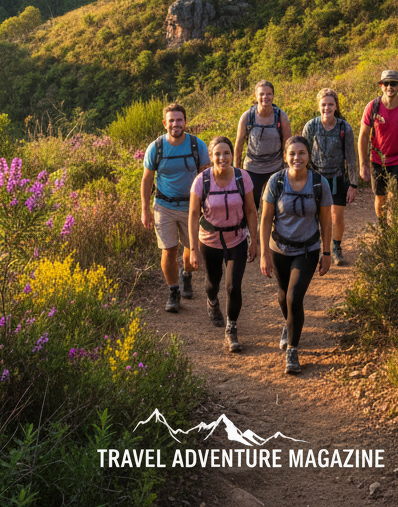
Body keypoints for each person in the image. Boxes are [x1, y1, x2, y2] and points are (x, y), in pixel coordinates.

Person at [259, 136, 333, 375]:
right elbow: (266, 219)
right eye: (292, 153)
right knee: (282, 296)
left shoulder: (320, 184)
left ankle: (292, 349)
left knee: (293, 296)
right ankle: (288, 324)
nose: (297, 158)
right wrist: (263, 253)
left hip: (307, 249)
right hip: (278, 248)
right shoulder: (276, 181)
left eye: (302, 153)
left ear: (309, 155)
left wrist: (327, 251)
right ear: (285, 156)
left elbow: (325, 220)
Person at [188, 136, 259, 352]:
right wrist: (192, 249)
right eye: (217, 154)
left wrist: (254, 241)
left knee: (232, 286)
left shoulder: (242, 177)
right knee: (213, 282)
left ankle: (231, 329)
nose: (222, 158)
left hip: (236, 239)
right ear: (211, 157)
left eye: (226, 153)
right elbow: (192, 214)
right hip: (209, 241)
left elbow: (250, 210)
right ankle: (211, 301)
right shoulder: (202, 180)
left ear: (232, 155)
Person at [141, 102, 210, 313]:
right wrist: (145, 209)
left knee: (191, 254)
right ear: (165, 123)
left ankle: (186, 274)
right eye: (171, 120)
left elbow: (206, 177)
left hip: (191, 207)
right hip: (164, 206)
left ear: (185, 122)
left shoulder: (197, 146)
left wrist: (208, 206)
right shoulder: (156, 148)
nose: (175, 124)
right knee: (168, 251)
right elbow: (147, 180)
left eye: (179, 120)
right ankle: (173, 290)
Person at [302, 88, 358, 266]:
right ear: (319, 106)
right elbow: (303, 154)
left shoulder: (344, 127)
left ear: (336, 106)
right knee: (314, 216)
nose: (327, 108)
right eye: (323, 104)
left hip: (337, 178)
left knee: (337, 216)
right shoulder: (311, 126)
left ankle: (336, 247)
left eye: (330, 104)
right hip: (315, 178)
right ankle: (314, 248)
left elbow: (351, 157)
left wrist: (353, 184)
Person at [358, 69, 398, 222]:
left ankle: (394, 230)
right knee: (380, 198)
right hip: (377, 159)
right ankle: (383, 228)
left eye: (393, 84)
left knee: (395, 197)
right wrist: (363, 164)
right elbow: (364, 136)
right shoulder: (372, 107)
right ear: (381, 86)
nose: (389, 87)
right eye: (386, 83)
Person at [234, 80, 293, 208]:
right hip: (252, 169)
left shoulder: (281, 116)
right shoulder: (247, 117)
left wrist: (289, 169)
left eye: (269, 94)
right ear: (256, 96)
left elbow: (288, 145)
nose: (265, 97)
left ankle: (274, 228)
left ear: (273, 96)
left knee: (277, 206)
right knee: (251, 207)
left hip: (275, 168)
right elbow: (238, 147)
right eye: (261, 94)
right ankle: (252, 229)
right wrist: (237, 173)